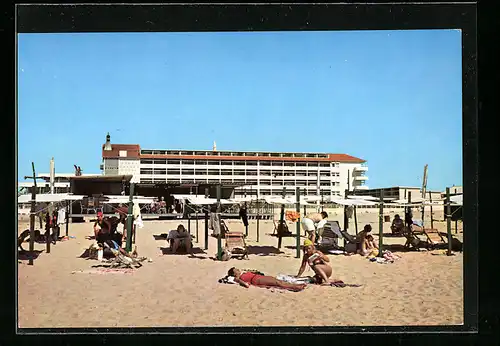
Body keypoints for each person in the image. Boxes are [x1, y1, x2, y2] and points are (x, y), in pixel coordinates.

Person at [228, 267, 307, 291]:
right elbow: (246, 285)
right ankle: (296, 287)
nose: (238, 270)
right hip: (256, 280)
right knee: (277, 283)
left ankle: (295, 285)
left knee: (278, 281)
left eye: (237, 269)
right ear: (234, 274)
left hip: (258, 277)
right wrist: (239, 280)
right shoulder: (237, 278)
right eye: (236, 271)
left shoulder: (243, 273)